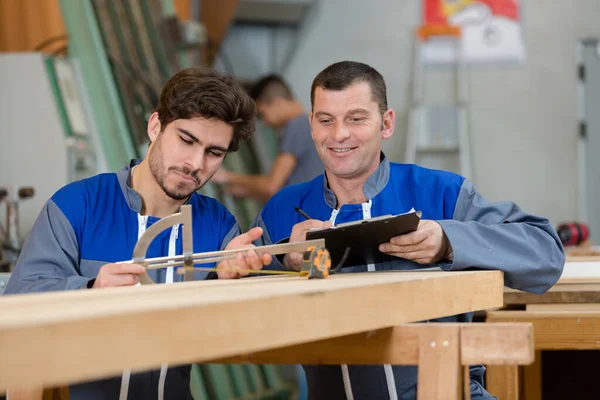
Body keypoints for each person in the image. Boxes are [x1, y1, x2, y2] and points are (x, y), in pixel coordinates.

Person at [251, 61, 565, 399]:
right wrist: (283, 258)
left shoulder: (441, 193)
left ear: (386, 124)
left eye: (356, 119)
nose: (339, 134)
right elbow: (237, 307)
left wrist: (449, 241)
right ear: (312, 125)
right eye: (326, 120)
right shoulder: (282, 211)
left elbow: (545, 255)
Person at [4, 67, 271, 399]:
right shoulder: (77, 205)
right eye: (186, 140)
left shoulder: (218, 226)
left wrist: (229, 284)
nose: (194, 163)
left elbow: (239, 333)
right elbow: (18, 300)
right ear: (155, 126)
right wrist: (89, 288)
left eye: (213, 152)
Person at [212, 74, 324, 202]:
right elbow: (283, 189)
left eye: (262, 114)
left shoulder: (297, 126)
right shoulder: (309, 124)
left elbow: (271, 186)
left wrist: (226, 177)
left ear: (276, 102)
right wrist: (246, 191)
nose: (265, 122)